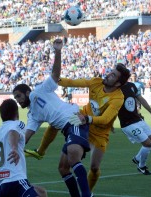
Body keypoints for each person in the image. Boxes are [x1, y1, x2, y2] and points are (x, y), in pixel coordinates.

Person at [25, 63, 131, 193]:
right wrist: (56, 80)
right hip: (81, 119)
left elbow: (105, 119)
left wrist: (87, 119)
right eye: (110, 72)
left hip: (99, 132)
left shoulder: (118, 98)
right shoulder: (96, 82)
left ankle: (88, 192)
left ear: (117, 84)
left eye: (113, 75)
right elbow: (72, 82)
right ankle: (40, 151)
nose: (108, 74)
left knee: (94, 167)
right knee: (56, 121)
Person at [13, 39, 92, 197]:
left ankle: (87, 195)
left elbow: (55, 75)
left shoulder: (39, 91)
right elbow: (27, 135)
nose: (18, 100)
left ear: (27, 93)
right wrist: (14, 148)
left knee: (73, 155)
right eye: (15, 99)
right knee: (63, 168)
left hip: (74, 119)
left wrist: (58, 51)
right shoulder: (32, 115)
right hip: (67, 129)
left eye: (19, 96)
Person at [0, 99, 47, 197]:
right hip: (15, 179)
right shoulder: (18, 124)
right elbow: (12, 132)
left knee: (41, 192)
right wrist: (14, 148)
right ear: (16, 113)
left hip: (0, 186)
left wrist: (2, 154)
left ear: (1, 115)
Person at [118, 81, 151, 175]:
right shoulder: (115, 89)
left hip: (138, 119)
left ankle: (137, 158)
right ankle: (141, 166)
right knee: (147, 144)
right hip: (127, 123)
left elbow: (141, 99)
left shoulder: (131, 86)